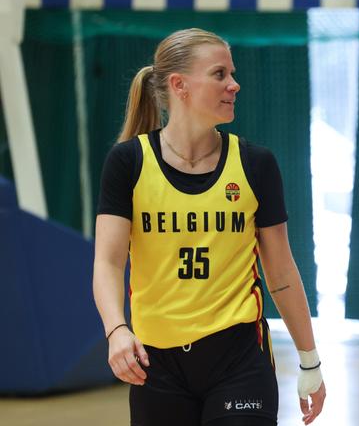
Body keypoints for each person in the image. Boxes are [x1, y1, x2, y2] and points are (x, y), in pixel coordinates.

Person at [92, 28, 326, 426]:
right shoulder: (128, 163)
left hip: (238, 358)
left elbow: (282, 272)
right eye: (219, 74)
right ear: (179, 85)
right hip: (157, 364)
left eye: (232, 74)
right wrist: (116, 330)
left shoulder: (255, 164)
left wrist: (310, 361)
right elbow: (109, 263)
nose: (234, 84)